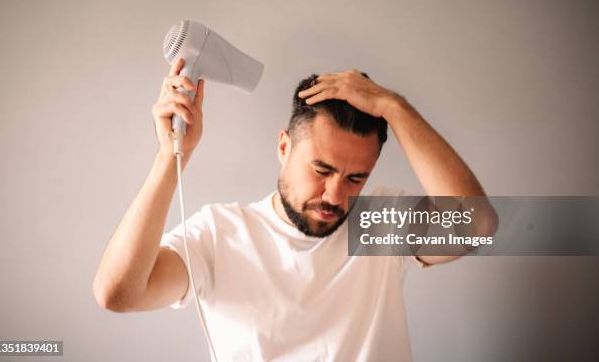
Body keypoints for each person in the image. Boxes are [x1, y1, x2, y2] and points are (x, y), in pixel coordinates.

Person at [93, 57, 494, 361]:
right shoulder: (220, 234)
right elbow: (119, 293)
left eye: (356, 178)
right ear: (284, 147)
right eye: (322, 169)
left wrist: (395, 107)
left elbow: (477, 225)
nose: (336, 196)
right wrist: (170, 157)